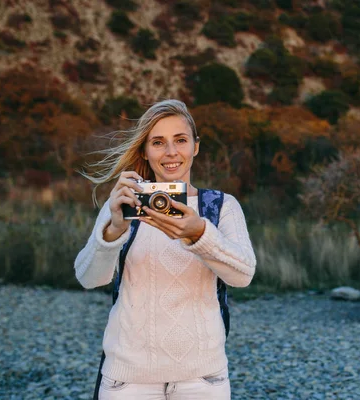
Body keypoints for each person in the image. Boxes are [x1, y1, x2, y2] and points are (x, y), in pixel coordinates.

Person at [74, 99, 256, 400]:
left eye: (180, 140)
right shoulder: (125, 204)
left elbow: (243, 275)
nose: (171, 152)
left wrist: (199, 234)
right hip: (128, 380)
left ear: (195, 147)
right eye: (158, 142)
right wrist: (113, 231)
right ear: (145, 150)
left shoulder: (220, 207)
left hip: (203, 379)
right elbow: (89, 278)